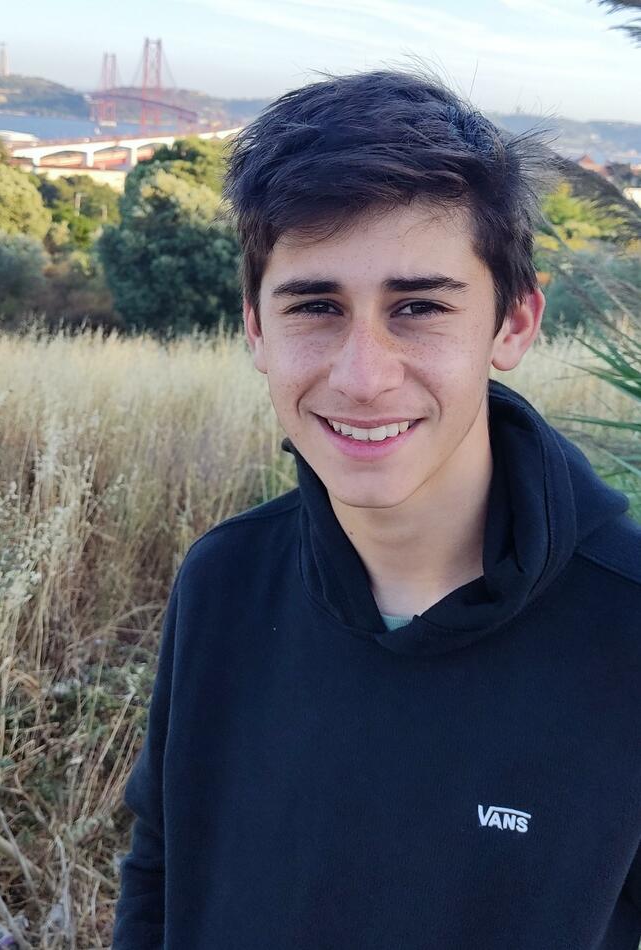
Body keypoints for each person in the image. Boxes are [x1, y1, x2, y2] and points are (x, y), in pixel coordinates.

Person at [112, 67, 641, 949]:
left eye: (419, 307)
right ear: (255, 328)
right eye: (316, 306)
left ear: (512, 324)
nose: (363, 376)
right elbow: (161, 870)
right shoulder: (223, 580)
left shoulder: (625, 627)